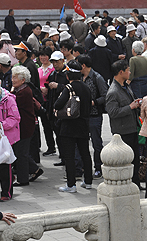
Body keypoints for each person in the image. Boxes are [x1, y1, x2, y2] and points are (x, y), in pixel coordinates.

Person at [54, 60, 93, 192]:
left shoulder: (69, 88)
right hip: (83, 125)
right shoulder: (86, 87)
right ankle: (88, 181)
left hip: (69, 126)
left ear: (68, 75)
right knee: (85, 154)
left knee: (69, 155)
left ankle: (71, 185)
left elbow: (57, 104)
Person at [106, 60, 142, 189]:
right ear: (121, 72)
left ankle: (136, 183)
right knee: (126, 160)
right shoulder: (113, 92)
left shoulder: (125, 86)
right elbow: (112, 112)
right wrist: (130, 107)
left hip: (132, 128)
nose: (130, 72)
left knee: (135, 159)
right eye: (128, 70)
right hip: (122, 131)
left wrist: (136, 104)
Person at [10, 66, 43, 186]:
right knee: (20, 151)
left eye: (15, 77)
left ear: (23, 80)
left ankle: (23, 179)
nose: (12, 79)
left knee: (21, 153)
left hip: (25, 126)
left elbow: (12, 101)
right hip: (24, 126)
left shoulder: (23, 92)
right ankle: (34, 169)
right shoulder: (21, 89)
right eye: (12, 77)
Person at [78, 54, 108, 179]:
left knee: (96, 143)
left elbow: (105, 95)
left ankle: (98, 167)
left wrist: (93, 102)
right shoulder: (79, 77)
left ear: (83, 65)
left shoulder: (97, 77)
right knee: (82, 143)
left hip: (94, 115)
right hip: (81, 116)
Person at [46, 51, 68, 166]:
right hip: (53, 109)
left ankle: (66, 157)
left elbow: (71, 88)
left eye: (57, 61)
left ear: (62, 61)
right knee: (58, 135)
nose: (55, 64)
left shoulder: (67, 73)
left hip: (64, 110)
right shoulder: (52, 74)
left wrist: (58, 86)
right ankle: (63, 157)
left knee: (64, 136)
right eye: (53, 62)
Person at [38, 46, 56, 156]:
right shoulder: (39, 69)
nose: (42, 57)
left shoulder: (53, 69)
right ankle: (50, 146)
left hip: (51, 99)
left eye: (45, 55)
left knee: (52, 124)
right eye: (41, 55)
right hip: (41, 99)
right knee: (45, 125)